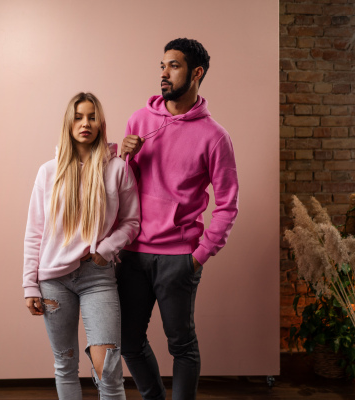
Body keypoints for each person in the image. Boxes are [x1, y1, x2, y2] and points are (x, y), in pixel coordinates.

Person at [118, 38, 239, 400]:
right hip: (133, 254)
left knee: (181, 346)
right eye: (162, 66)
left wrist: (198, 257)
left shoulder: (215, 137)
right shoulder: (139, 121)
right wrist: (121, 156)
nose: (164, 74)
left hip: (178, 258)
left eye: (173, 66)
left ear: (196, 73)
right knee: (129, 342)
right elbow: (121, 188)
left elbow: (228, 204)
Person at [23, 92, 140, 400]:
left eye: (91, 117)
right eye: (78, 117)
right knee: (65, 364)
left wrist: (105, 250)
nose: (84, 123)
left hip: (97, 277)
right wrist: (29, 286)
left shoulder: (117, 169)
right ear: (69, 123)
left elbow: (132, 222)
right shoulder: (48, 172)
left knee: (109, 370)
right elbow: (34, 232)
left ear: (100, 124)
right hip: (53, 280)